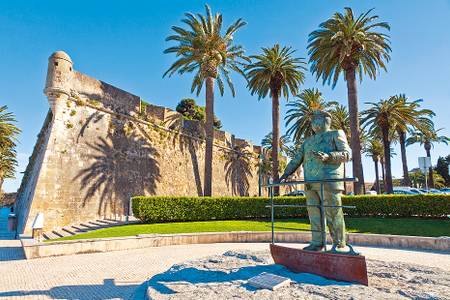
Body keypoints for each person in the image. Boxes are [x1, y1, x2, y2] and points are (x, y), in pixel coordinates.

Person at [279, 110, 351, 251]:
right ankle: (317, 243)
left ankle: (339, 244)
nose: (314, 123)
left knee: (333, 213)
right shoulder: (308, 142)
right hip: (310, 182)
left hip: (329, 180)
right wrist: (286, 173)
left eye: (317, 119)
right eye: (313, 121)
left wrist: (329, 156)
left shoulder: (336, 134)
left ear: (326, 121)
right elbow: (296, 159)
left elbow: (348, 154)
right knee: (314, 215)